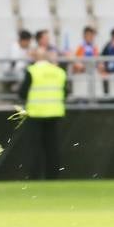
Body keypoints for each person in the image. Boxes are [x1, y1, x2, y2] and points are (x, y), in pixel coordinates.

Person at [17, 48, 68, 180]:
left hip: (36, 113)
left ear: (35, 58)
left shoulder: (32, 71)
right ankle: (53, 176)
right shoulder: (59, 72)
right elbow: (66, 92)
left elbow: (22, 93)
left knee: (34, 148)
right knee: (52, 147)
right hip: (54, 113)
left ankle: (34, 176)